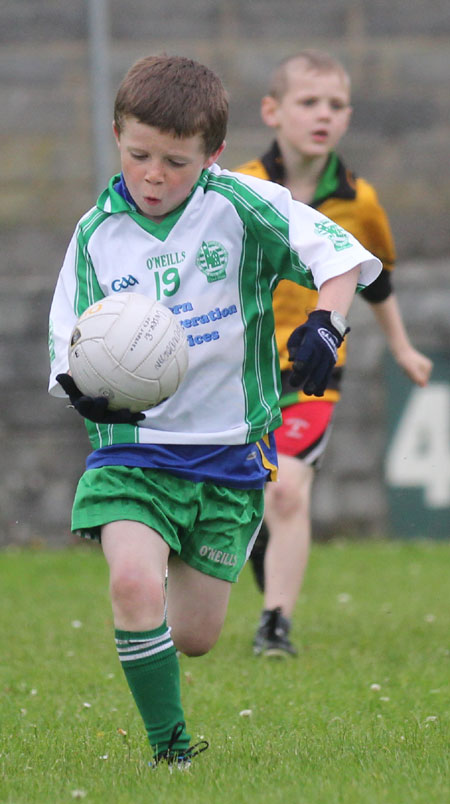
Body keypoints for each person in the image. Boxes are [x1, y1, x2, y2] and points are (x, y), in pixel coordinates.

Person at [48, 54, 381, 767]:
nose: (154, 175)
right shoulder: (94, 235)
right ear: (116, 137)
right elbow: (66, 342)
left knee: (196, 634)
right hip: (133, 451)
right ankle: (172, 753)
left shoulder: (237, 204)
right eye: (139, 155)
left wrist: (328, 322)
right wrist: (81, 384)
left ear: (213, 154)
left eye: (176, 161)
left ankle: (176, 568)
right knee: (134, 582)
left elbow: (338, 256)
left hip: (229, 454)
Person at [235, 50, 433, 658]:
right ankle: (264, 557)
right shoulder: (239, 188)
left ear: (348, 117)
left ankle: (275, 626)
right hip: (243, 372)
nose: (323, 115)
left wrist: (401, 346)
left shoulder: (360, 200)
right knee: (252, 496)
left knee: (289, 489)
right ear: (273, 111)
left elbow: (377, 280)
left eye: (336, 105)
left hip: (314, 369)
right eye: (308, 102)